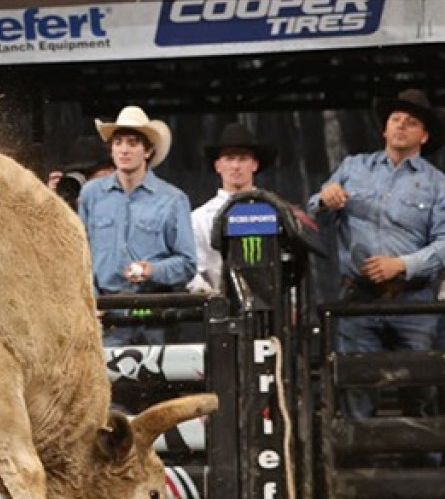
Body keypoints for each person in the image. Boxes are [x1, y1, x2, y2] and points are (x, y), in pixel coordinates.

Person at [309, 88, 445, 416]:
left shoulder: (438, 183)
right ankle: (359, 466)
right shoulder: (353, 167)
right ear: (384, 129)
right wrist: (323, 200)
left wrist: (401, 264)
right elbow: (310, 214)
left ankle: (426, 465)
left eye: (411, 122)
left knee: (422, 391)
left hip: (414, 302)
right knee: (356, 387)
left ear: (423, 136)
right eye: (395, 119)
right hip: (358, 298)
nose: (400, 126)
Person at [77, 105, 196, 345]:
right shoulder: (91, 194)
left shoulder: (173, 200)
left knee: (163, 379)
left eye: (132, 143)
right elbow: (80, 255)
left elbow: (188, 263)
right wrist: (90, 300)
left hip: (156, 315)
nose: (123, 150)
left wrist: (153, 270)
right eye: (118, 142)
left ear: (148, 151)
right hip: (106, 315)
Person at [188, 122, 276, 295]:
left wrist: (292, 303)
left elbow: (286, 263)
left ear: (255, 165)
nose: (236, 166)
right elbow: (193, 269)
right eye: (229, 158)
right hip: (221, 308)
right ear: (218, 166)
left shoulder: (275, 211)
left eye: (243, 159)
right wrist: (210, 298)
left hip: (273, 312)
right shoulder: (199, 218)